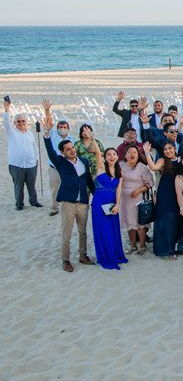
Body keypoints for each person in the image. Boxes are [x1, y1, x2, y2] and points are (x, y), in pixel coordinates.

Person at [42, 116, 95, 272]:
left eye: (73, 148)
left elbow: (89, 181)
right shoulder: (60, 162)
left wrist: (95, 194)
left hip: (83, 202)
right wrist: (46, 134)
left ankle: (83, 255)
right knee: (66, 233)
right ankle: (65, 260)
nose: (72, 150)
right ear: (63, 152)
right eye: (68, 149)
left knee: (83, 231)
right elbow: (50, 152)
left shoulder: (83, 161)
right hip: (67, 203)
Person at [90, 142, 128, 270]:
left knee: (112, 229)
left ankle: (115, 255)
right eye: (109, 154)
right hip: (99, 204)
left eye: (114, 154)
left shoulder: (119, 171)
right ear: (105, 157)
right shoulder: (101, 167)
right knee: (103, 230)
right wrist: (91, 137)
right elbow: (96, 149)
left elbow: (119, 189)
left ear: (117, 156)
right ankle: (105, 257)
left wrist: (118, 204)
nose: (112, 156)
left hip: (112, 204)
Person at [3, 100, 42, 211]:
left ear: (26, 122)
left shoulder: (30, 134)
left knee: (31, 185)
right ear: (15, 123)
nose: (21, 123)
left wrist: (36, 159)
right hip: (16, 164)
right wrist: (7, 110)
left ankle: (33, 201)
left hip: (31, 164)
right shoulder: (11, 132)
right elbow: (6, 122)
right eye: (18, 121)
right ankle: (19, 204)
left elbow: (34, 147)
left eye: (23, 121)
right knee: (18, 186)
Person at [144, 142, 180, 259]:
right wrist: (147, 153)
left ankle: (173, 246)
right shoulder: (163, 161)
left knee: (175, 221)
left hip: (178, 193)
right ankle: (164, 249)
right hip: (165, 193)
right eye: (165, 149)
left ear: (174, 149)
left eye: (170, 148)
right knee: (164, 220)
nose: (168, 151)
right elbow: (153, 167)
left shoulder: (181, 160)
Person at [119, 145, 154, 255]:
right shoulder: (121, 165)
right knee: (130, 222)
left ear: (138, 155)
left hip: (138, 199)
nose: (132, 154)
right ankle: (133, 245)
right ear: (126, 155)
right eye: (130, 152)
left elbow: (150, 183)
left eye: (135, 152)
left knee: (140, 223)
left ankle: (142, 245)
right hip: (125, 199)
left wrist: (139, 190)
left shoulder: (142, 167)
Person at [42, 100, 73, 216]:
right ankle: (54, 208)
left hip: (66, 167)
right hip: (54, 167)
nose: (62, 128)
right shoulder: (54, 134)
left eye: (64, 127)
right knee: (55, 188)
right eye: (60, 126)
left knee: (67, 186)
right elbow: (49, 123)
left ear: (68, 128)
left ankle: (66, 206)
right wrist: (47, 111)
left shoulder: (71, 138)